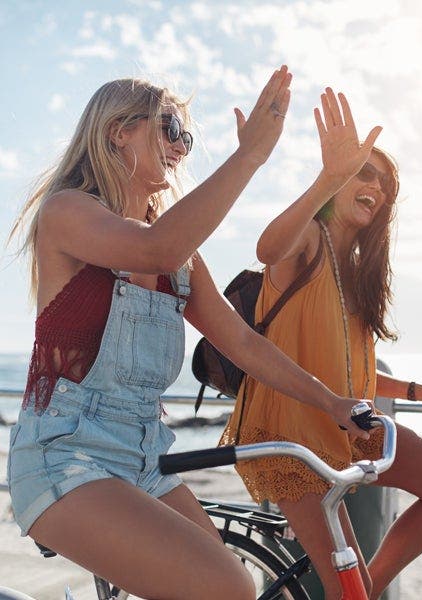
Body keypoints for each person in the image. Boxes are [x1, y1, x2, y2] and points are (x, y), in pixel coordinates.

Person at [6, 68, 371, 600]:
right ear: (118, 132)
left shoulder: (178, 254)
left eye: (187, 136)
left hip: (146, 456)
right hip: (64, 455)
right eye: (170, 128)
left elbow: (243, 344)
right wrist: (250, 157)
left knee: (232, 588)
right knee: (227, 588)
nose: (182, 146)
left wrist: (334, 402)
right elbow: (157, 249)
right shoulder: (68, 212)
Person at [220, 88, 422, 599]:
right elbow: (267, 247)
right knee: (347, 589)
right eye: (363, 173)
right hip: (291, 435)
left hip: (349, 425)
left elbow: (351, 378)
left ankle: (364, 590)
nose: (376, 187)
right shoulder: (307, 244)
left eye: (383, 182)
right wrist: (329, 176)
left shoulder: (360, 273)